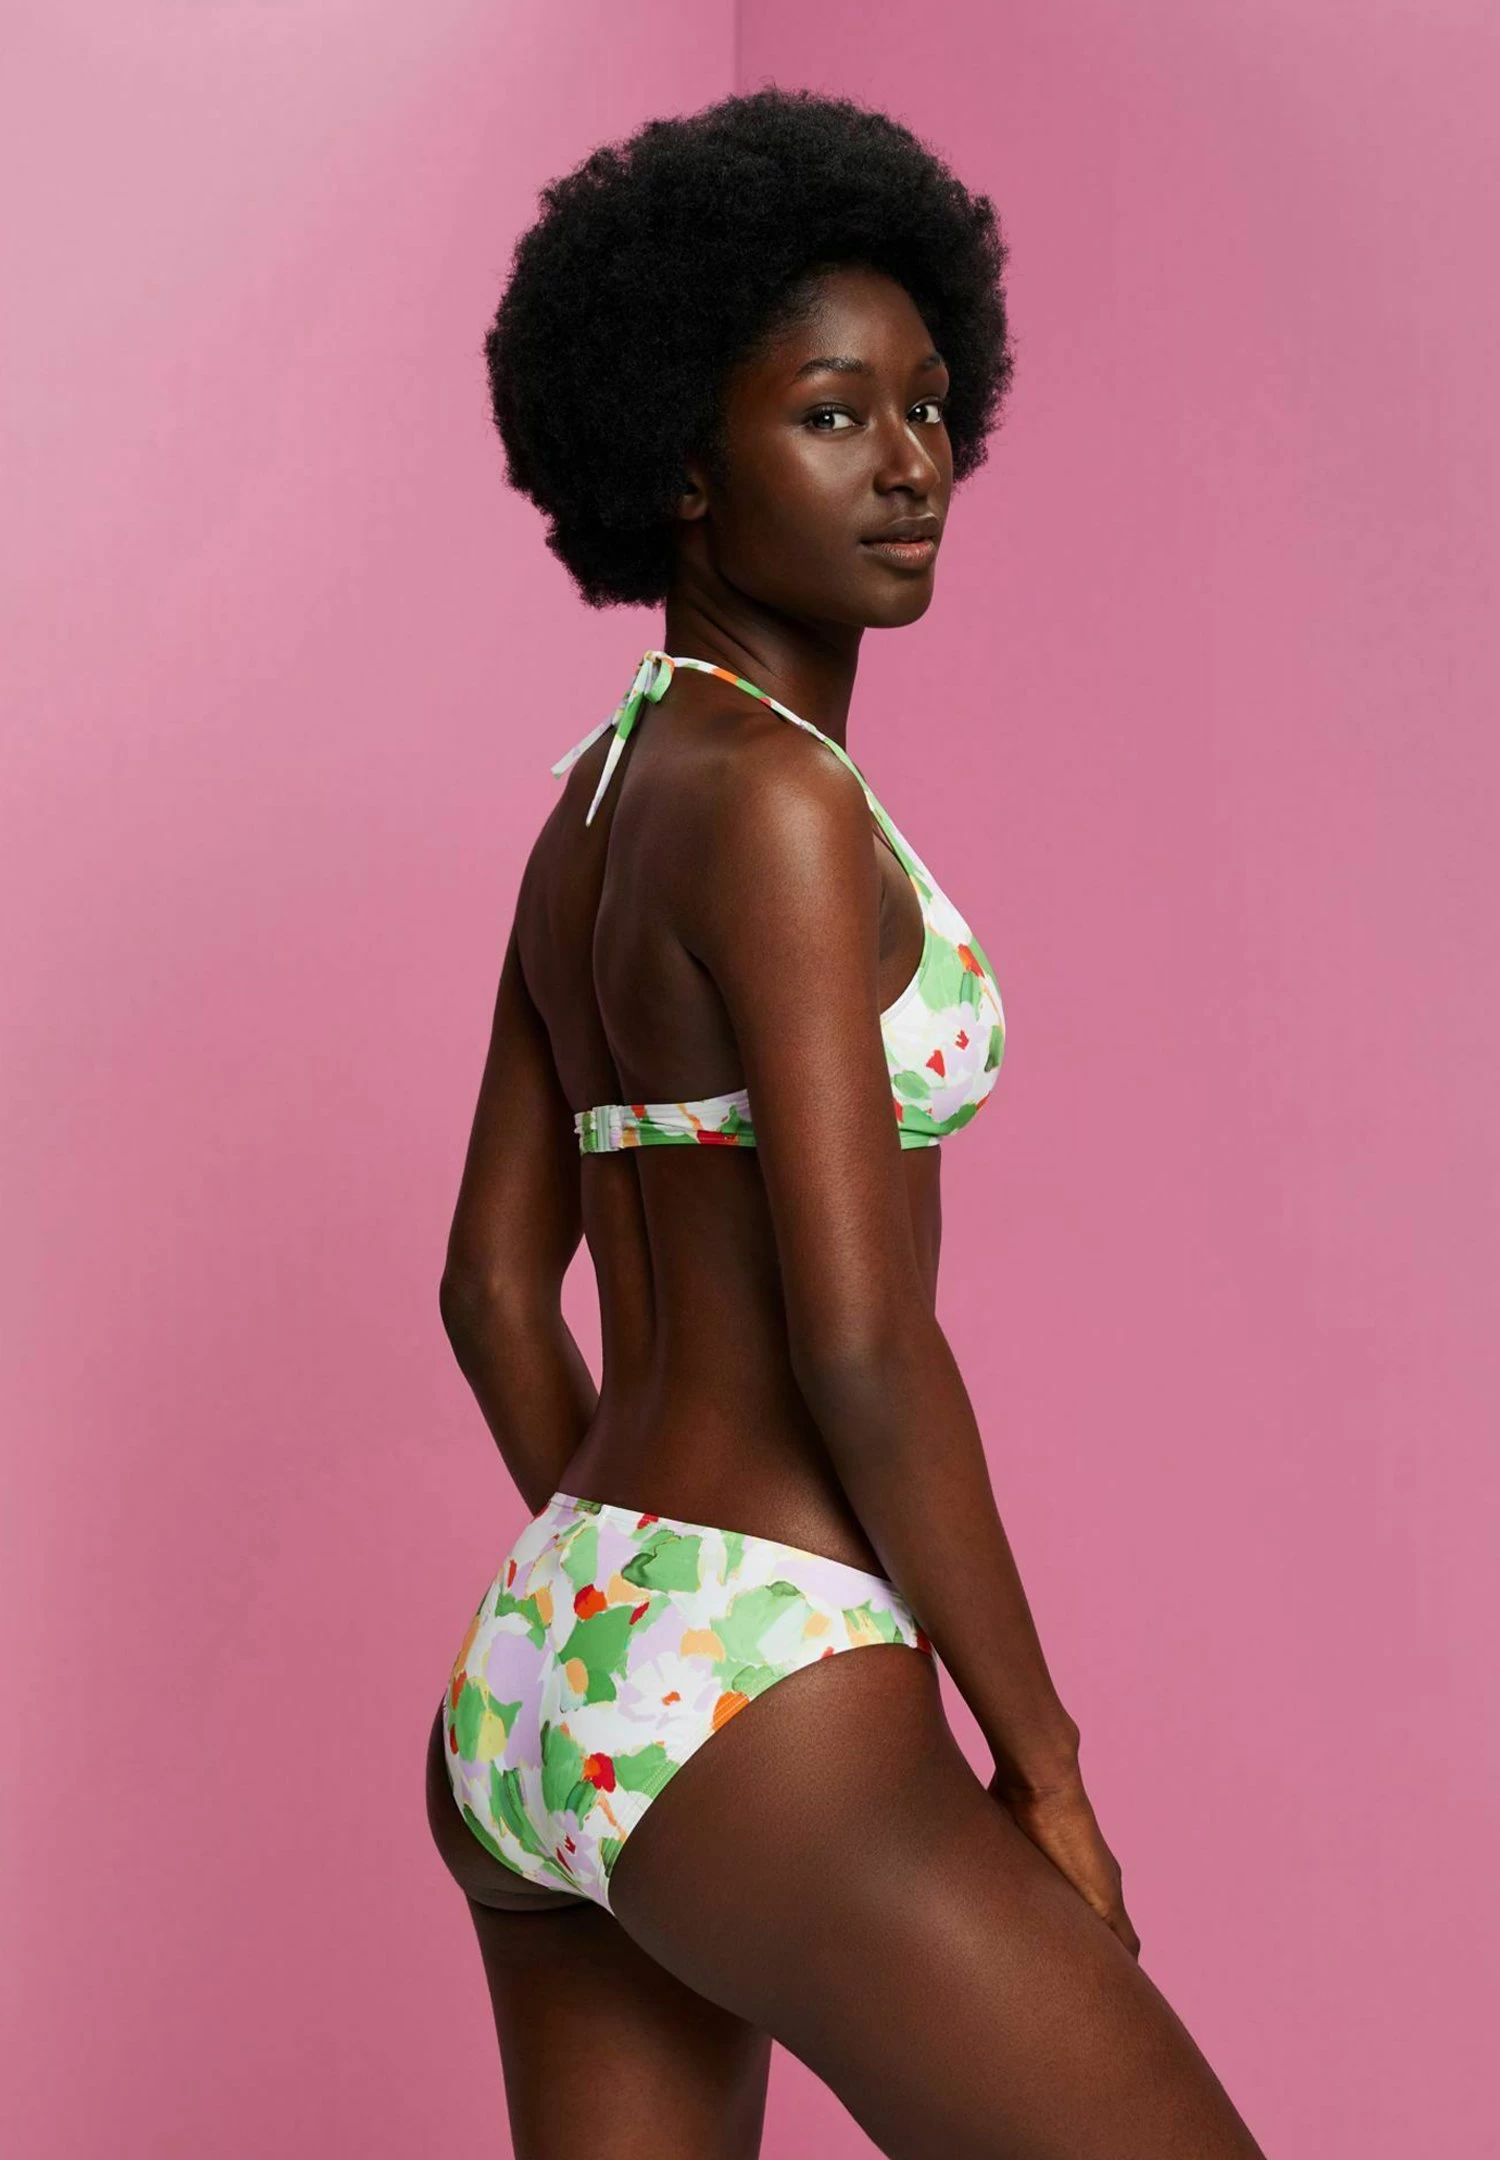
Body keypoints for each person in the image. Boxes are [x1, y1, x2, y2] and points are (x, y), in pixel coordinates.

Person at [425, 85, 1266, 2160]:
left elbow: (489, 1291)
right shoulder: (785, 805)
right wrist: (1043, 1764)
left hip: (550, 1656)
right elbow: (862, 1343)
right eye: (830, 415)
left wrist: (633, 1606)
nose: (912, 464)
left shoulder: (594, 807)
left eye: (929, 406)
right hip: (757, 1665)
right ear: (682, 469)